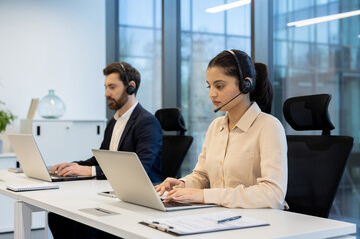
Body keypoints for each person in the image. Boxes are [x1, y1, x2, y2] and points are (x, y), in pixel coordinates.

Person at [156, 49, 288, 209]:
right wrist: (183, 184)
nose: (212, 94)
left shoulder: (269, 127)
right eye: (209, 86)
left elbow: (272, 194)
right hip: (219, 216)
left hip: (259, 222)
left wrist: (205, 196)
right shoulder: (215, 127)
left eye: (219, 86)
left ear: (246, 84)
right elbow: (202, 175)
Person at [48, 62, 163, 239]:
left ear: (130, 87)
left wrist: (90, 171)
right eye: (106, 87)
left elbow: (140, 168)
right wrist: (74, 166)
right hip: (112, 191)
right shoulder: (114, 122)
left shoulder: (147, 122)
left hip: (139, 198)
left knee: (83, 225)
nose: (106, 93)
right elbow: (102, 158)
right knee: (57, 216)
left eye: (112, 87)